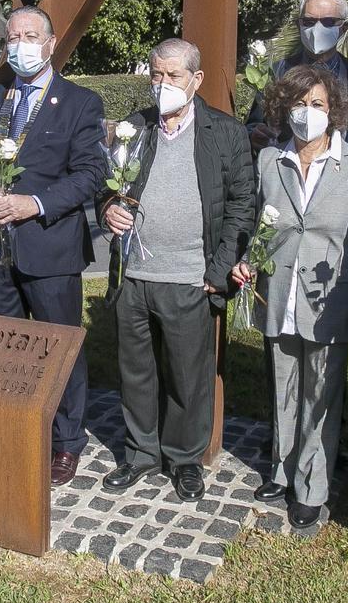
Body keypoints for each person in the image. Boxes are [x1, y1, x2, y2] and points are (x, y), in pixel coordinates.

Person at [0, 6, 107, 483]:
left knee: (59, 345)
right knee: (4, 344)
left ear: (51, 42)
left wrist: (33, 203)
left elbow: (90, 174)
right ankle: (13, 421)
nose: (19, 44)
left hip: (50, 246)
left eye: (30, 35)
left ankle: (66, 440)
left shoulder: (80, 102)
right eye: (12, 36)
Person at [100, 38, 256, 502]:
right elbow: (104, 186)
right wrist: (107, 208)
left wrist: (219, 268)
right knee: (136, 372)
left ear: (196, 80)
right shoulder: (135, 128)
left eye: (173, 76)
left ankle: (184, 458)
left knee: (189, 375)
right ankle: (140, 453)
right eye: (156, 75)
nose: (163, 84)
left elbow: (242, 206)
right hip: (135, 276)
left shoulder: (224, 133)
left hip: (191, 276)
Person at [234, 63, 348, 531]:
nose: (307, 112)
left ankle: (312, 486)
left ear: (333, 111)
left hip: (330, 298)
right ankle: (281, 469)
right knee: (282, 386)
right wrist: (248, 263)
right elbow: (261, 225)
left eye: (317, 104)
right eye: (299, 104)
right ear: (283, 108)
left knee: (321, 394)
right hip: (278, 292)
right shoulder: (268, 161)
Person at [243, 0, 348, 162]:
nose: (317, 28)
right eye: (309, 22)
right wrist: (255, 135)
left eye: (328, 22)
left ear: (343, 28)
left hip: (346, 182)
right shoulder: (277, 73)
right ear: (298, 25)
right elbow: (255, 126)